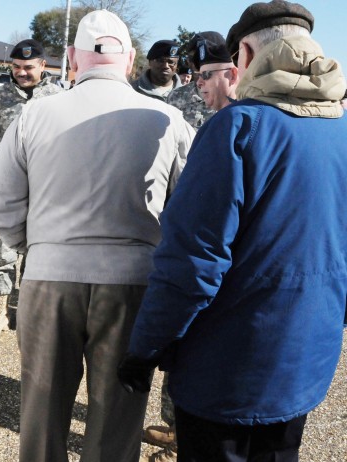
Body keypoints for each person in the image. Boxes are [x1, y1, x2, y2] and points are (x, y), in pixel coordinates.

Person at [119, 1, 347, 461]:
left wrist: (146, 349)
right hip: (306, 360)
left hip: (227, 372)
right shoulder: (341, 130)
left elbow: (193, 261)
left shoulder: (238, 128)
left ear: (244, 52)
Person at [0, 10, 194, 461]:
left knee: (42, 408)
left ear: (73, 59)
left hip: (49, 277)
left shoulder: (36, 113)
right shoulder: (168, 119)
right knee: (119, 414)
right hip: (133, 281)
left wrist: (36, 247)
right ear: (132, 59)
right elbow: (193, 207)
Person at [146, 30, 239, 462]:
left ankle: (193, 434)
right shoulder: (179, 102)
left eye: (206, 73)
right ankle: (175, 423)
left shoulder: (252, 113)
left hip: (225, 246)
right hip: (182, 231)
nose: (198, 82)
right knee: (179, 334)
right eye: (193, 73)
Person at [0, 38, 62, 341]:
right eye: (17, 67)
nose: (21, 72)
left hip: (47, 192)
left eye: (29, 67)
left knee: (41, 256)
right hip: (6, 191)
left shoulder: (59, 98)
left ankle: (32, 313)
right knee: (3, 253)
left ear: (43, 66)